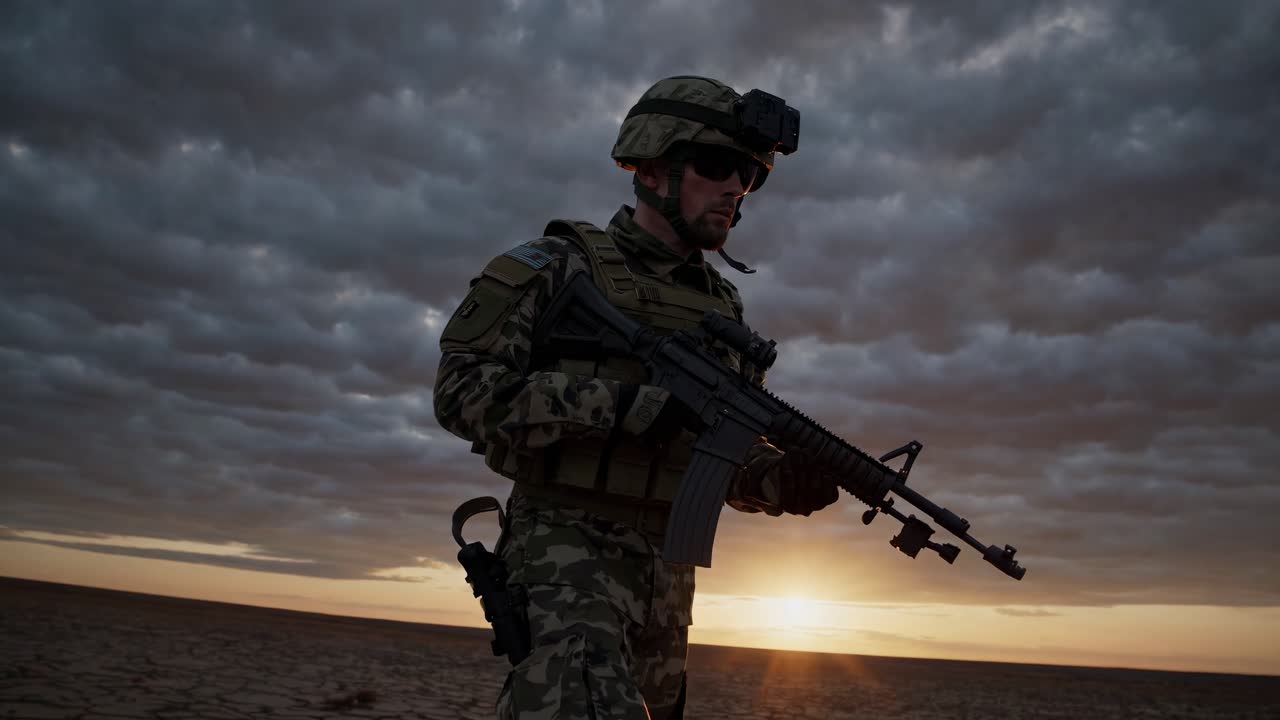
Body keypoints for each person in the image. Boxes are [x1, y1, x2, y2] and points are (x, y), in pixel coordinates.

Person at [434, 75, 839, 720]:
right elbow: (462, 393)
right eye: (716, 166)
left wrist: (775, 479)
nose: (736, 188)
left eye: (749, 176)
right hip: (566, 557)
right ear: (652, 167)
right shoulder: (555, 267)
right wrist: (625, 406)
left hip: (667, 586)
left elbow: (716, 451)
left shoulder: (722, 306)